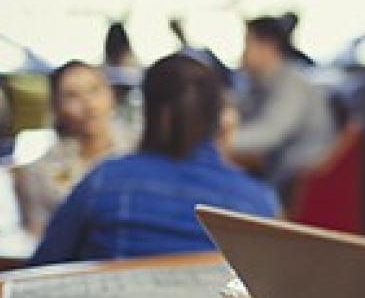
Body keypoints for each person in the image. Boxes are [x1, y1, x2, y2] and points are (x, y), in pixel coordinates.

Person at [29, 52, 278, 265]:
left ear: (147, 111)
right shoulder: (257, 204)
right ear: (219, 118)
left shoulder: (102, 182)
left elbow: (42, 269)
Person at [13, 60, 135, 235]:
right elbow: (37, 237)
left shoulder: (141, 150)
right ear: (56, 107)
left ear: (111, 95)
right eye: (72, 96)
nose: (88, 104)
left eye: (94, 90)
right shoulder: (39, 173)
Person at [227, 15, 337, 203]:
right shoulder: (259, 81)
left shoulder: (290, 83)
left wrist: (221, 141)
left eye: (247, 44)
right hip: (280, 173)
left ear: (267, 47)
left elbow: (269, 134)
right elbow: (241, 111)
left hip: (300, 180)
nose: (241, 54)